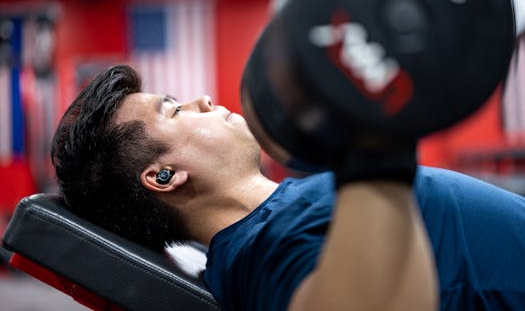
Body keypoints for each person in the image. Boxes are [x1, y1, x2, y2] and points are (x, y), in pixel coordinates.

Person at [51, 65, 525, 311]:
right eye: (174, 110)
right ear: (163, 176)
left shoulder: (279, 215)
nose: (204, 100)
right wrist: (377, 142)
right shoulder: (263, 252)